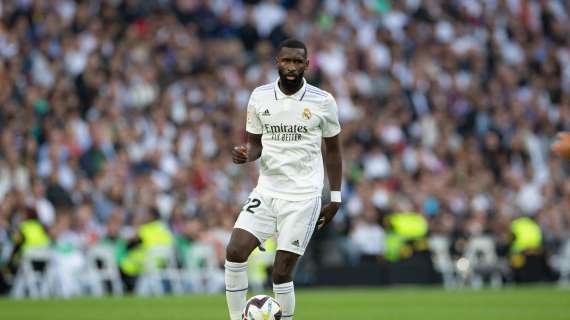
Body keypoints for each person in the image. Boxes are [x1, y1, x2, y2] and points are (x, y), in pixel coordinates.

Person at [225, 39, 342, 320]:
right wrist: (245, 154)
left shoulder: (322, 101)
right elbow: (255, 145)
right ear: (277, 62)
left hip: (304, 196)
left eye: (297, 62)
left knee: (281, 272)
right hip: (267, 190)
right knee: (235, 251)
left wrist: (335, 198)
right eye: (286, 61)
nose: (291, 67)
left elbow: (334, 150)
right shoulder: (260, 97)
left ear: (307, 65)